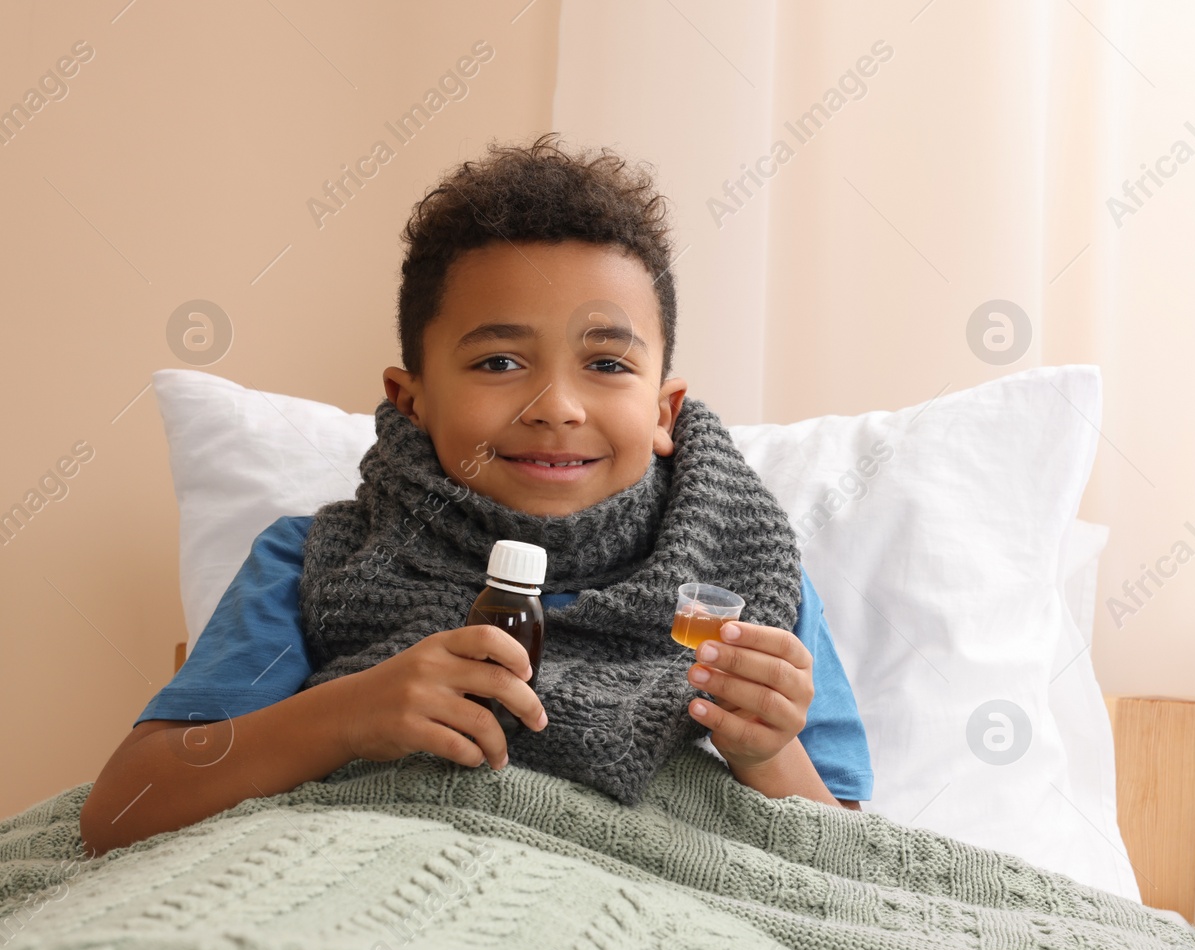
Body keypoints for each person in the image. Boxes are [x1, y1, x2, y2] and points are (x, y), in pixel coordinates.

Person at [79, 135, 871, 855]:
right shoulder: (314, 563)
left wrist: (767, 752)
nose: (556, 406)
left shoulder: (748, 582)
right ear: (410, 398)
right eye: (498, 362)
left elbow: (854, 863)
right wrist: (352, 714)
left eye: (607, 364)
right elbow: (123, 807)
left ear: (664, 410)